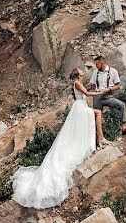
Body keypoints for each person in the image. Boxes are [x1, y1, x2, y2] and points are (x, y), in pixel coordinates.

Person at [11, 68, 108, 209]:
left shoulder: (78, 83)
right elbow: (86, 94)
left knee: (82, 127)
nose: (83, 70)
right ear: (77, 74)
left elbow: (84, 92)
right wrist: (101, 92)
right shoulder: (77, 83)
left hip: (80, 107)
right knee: (97, 113)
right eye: (81, 70)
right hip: (80, 108)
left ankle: (98, 139)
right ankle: (101, 138)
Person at [88, 55, 126, 136]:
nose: (96, 66)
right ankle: (94, 135)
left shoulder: (113, 71)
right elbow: (92, 84)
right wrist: (85, 88)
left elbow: (118, 85)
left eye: (97, 64)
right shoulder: (96, 72)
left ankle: (124, 128)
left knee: (122, 105)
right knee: (96, 116)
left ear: (102, 63)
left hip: (108, 96)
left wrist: (109, 89)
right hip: (97, 97)